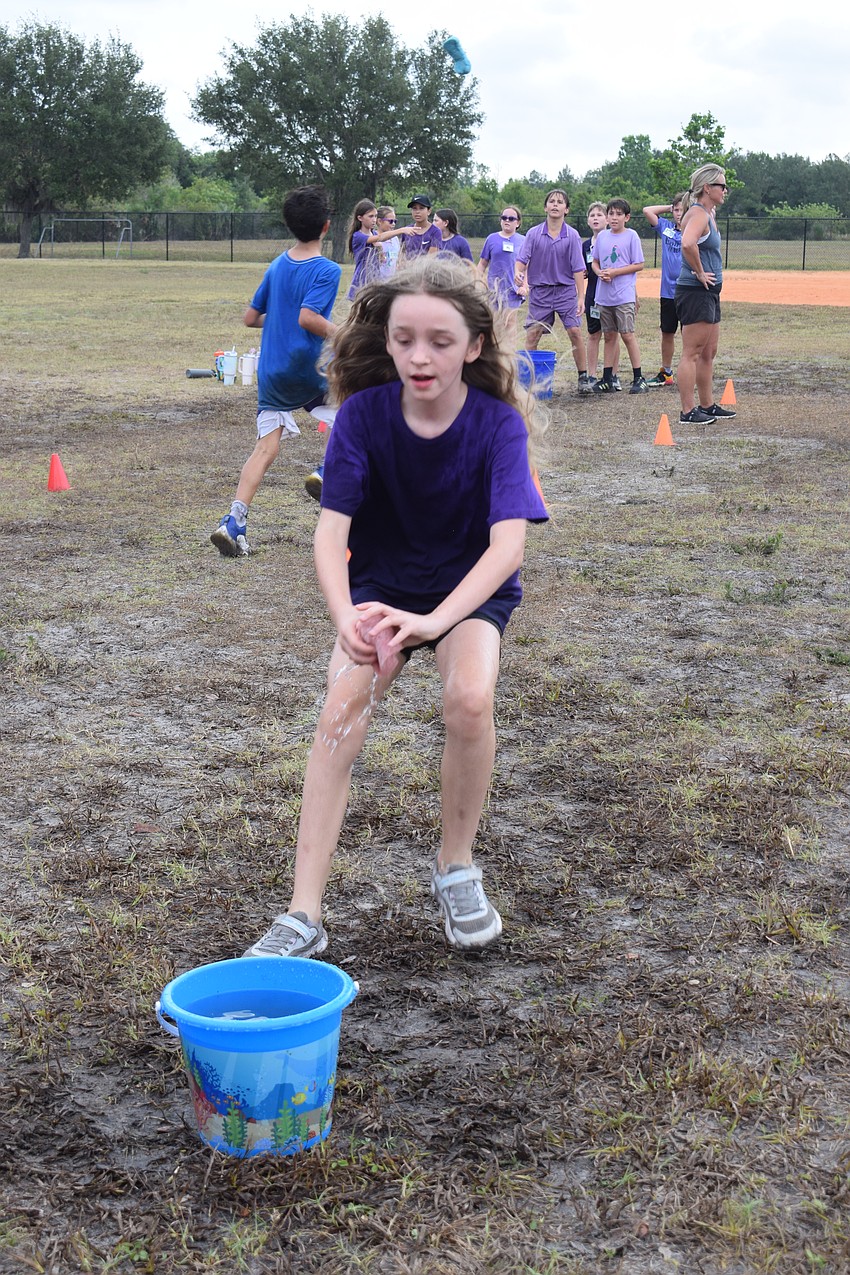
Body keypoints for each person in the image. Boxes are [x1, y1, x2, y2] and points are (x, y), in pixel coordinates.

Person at [243, 256, 548, 959]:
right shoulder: (363, 418)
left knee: (470, 698)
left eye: (440, 341)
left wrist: (438, 622)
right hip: (381, 586)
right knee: (338, 713)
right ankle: (303, 913)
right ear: (387, 341)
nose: (420, 355)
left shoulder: (498, 425)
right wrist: (346, 615)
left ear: (473, 345)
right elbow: (331, 533)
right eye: (405, 338)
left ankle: (457, 866)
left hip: (467, 590)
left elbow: (506, 550)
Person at [211, 185, 341, 555]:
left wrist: (281, 317)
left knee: (265, 448)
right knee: (353, 409)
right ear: (326, 227)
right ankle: (327, 471)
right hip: (304, 367)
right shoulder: (327, 269)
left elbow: (251, 318)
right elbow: (309, 318)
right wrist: (343, 333)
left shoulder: (277, 264)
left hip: (271, 372)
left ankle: (233, 521)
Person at [675, 165, 737, 426]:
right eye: (722, 186)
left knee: (709, 352)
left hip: (710, 292)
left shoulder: (707, 213)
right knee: (692, 352)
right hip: (695, 291)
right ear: (707, 188)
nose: (725, 190)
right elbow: (687, 243)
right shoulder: (699, 213)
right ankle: (688, 411)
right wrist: (700, 272)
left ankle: (707, 405)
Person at [513, 189, 592, 392]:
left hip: (566, 291)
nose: (555, 204)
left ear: (567, 209)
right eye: (552, 201)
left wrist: (581, 297)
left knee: (574, 331)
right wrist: (518, 273)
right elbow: (521, 261)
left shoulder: (572, 235)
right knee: (533, 334)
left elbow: (577, 269)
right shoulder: (533, 233)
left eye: (560, 202)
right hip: (540, 292)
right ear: (545, 207)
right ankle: (527, 380)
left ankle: (583, 378)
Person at [591, 198, 649, 394]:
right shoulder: (602, 237)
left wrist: (615, 272)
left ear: (627, 217)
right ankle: (607, 378)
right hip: (604, 296)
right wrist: (599, 272)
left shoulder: (631, 236)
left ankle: (638, 378)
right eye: (611, 214)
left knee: (627, 335)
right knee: (609, 336)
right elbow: (595, 262)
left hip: (623, 295)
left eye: (618, 214)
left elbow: (639, 264)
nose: (614, 218)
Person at [642, 195, 686, 386]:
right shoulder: (666, 228)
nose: (679, 213)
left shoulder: (696, 229)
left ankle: (689, 371)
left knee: (690, 334)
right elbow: (647, 211)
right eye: (676, 210)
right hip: (668, 292)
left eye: (683, 209)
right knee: (667, 332)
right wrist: (670, 206)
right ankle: (666, 373)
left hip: (688, 290)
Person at [581, 201, 620, 392]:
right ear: (588, 220)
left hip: (613, 295)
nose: (595, 218)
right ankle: (591, 375)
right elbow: (581, 271)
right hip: (592, 296)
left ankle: (613, 375)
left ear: (607, 219)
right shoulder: (585, 245)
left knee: (612, 334)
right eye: (592, 215)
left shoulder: (614, 241)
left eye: (599, 215)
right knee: (593, 334)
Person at [477, 205, 525, 347]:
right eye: (504, 218)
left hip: (513, 290)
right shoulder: (492, 239)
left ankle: (510, 357)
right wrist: (477, 281)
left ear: (518, 222)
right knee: (494, 324)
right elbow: (482, 264)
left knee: (510, 323)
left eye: (511, 218)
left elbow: (530, 267)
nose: (507, 221)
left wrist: (525, 286)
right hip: (493, 291)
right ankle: (495, 356)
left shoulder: (523, 240)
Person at [347, 199, 413, 298]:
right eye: (370, 216)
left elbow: (378, 245)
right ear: (360, 218)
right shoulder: (358, 236)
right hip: (362, 281)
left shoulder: (373, 233)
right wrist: (402, 230)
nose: (374, 219)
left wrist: (381, 252)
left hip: (375, 281)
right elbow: (379, 238)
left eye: (375, 216)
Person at [399, 195, 441, 262]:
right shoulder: (406, 231)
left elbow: (431, 258)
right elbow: (401, 254)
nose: (417, 212)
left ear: (429, 211)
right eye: (414, 208)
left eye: (421, 208)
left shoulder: (435, 232)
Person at [375, 206, 403, 277]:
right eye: (390, 221)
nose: (393, 224)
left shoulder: (395, 239)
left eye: (395, 221)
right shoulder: (373, 238)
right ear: (379, 221)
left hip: (391, 282)